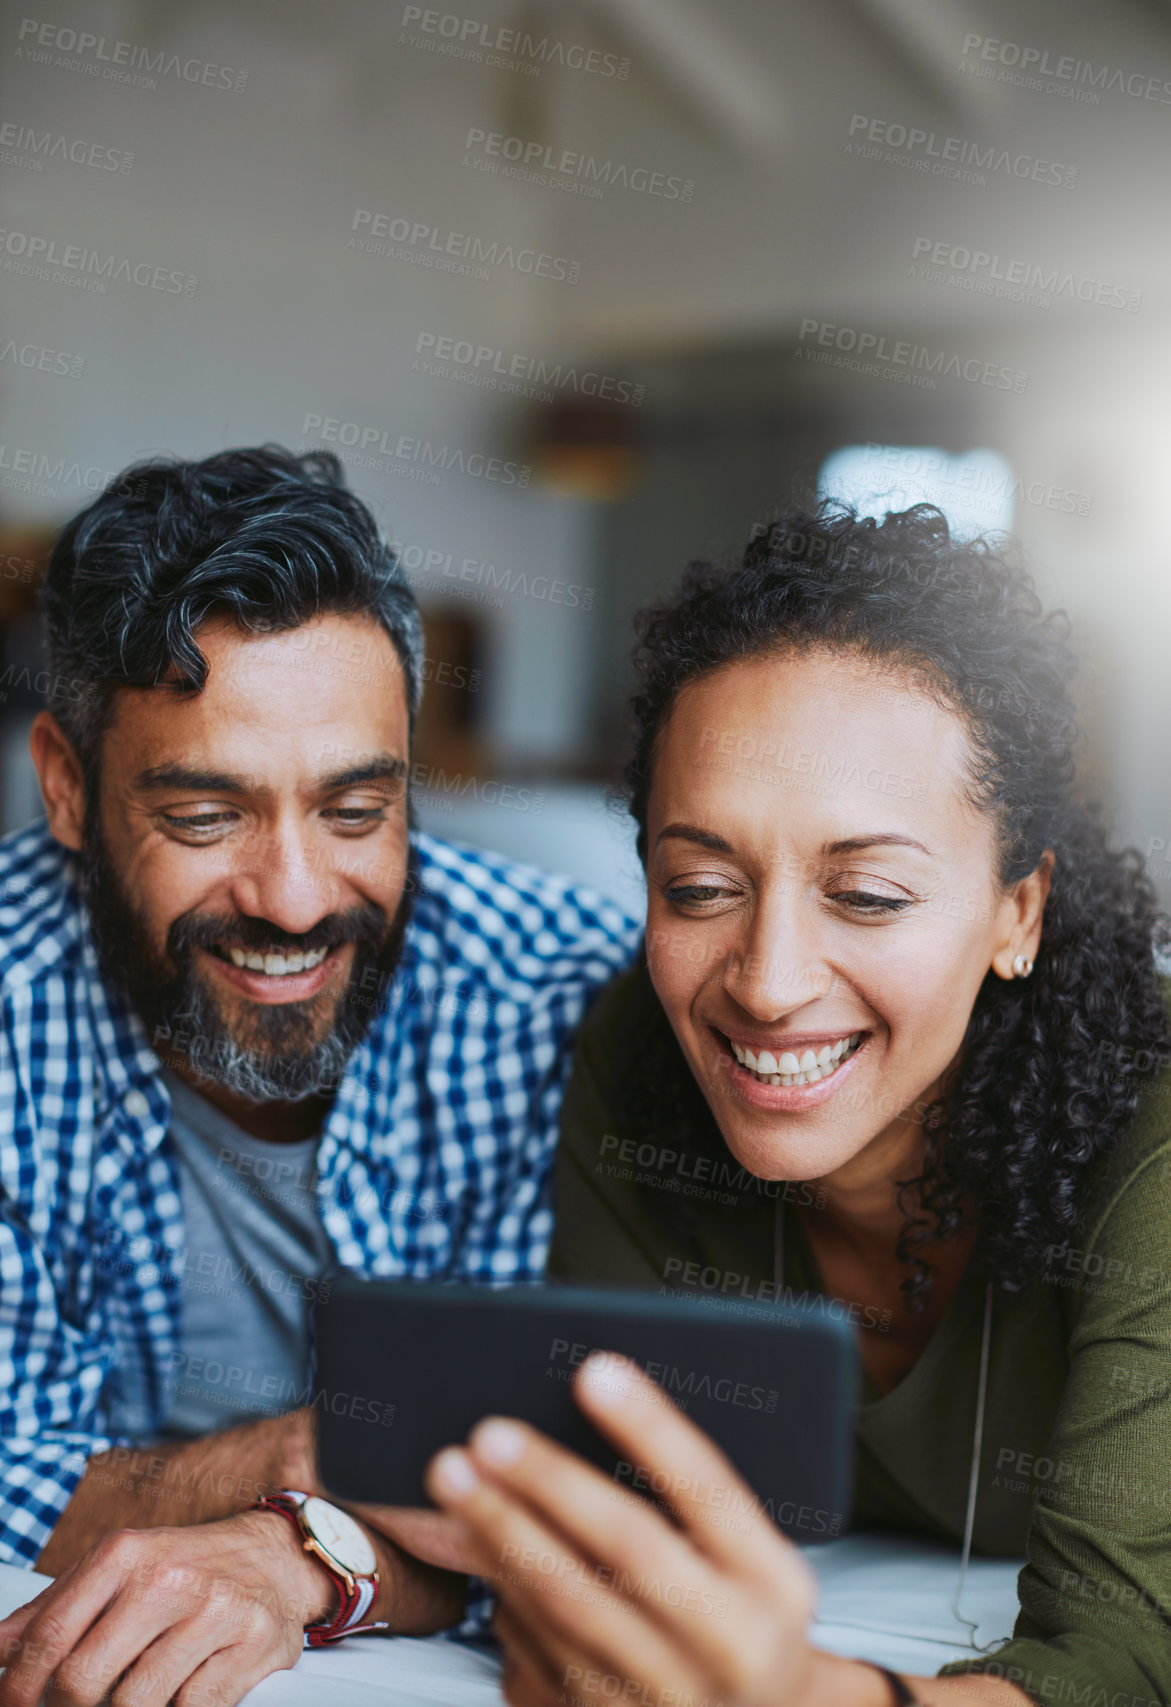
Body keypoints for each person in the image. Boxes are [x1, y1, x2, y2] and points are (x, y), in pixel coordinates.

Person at [421, 503, 1171, 1706]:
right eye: (700, 885)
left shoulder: (1152, 1135)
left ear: (1017, 911)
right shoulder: (637, 1057)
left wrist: (812, 1698)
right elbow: (614, 1510)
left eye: (867, 894)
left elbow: (1125, 1663)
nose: (766, 985)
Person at [0, 445, 639, 1706]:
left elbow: (558, 1499)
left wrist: (301, 1548)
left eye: (356, 812)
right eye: (205, 815)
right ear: (68, 789)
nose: (294, 898)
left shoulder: (568, 999)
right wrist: (316, 1449)